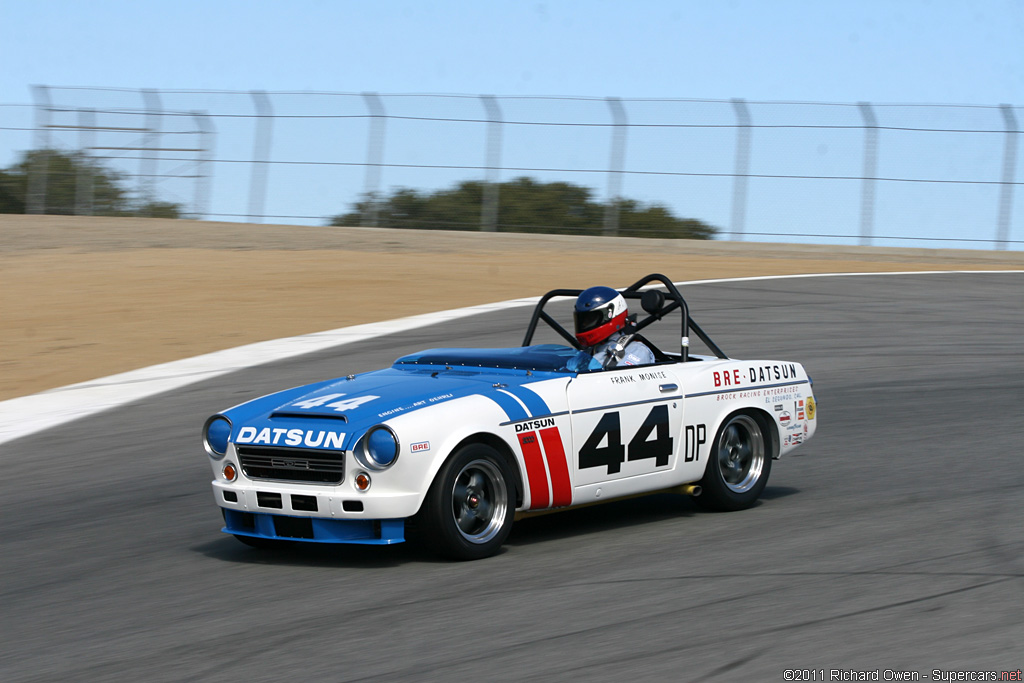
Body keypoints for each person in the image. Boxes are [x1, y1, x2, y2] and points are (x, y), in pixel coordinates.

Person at [568, 286, 655, 371]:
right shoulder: (586, 353)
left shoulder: (636, 350)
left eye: (590, 319)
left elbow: (622, 380)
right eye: (582, 321)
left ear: (610, 315)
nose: (584, 324)